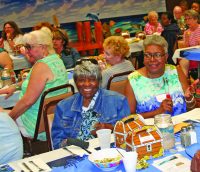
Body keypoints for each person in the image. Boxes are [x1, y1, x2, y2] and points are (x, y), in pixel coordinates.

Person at [0, 27, 68, 141]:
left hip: (35, 125)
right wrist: (15, 86)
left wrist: (9, 120)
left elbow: (27, 101)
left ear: (43, 47)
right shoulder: (56, 60)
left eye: (29, 47)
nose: (26, 51)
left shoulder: (41, 66)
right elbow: (35, 80)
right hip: (53, 120)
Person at [52, 58, 130, 149]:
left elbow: (129, 135)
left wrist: (112, 129)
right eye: (81, 80)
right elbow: (57, 143)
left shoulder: (118, 101)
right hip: (75, 155)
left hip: (108, 151)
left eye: (92, 80)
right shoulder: (63, 106)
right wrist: (68, 143)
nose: (87, 84)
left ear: (99, 82)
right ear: (76, 83)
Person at [125, 35, 189, 118]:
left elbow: (190, 106)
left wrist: (191, 99)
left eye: (157, 55)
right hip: (151, 129)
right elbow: (129, 117)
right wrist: (158, 112)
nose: (152, 59)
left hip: (183, 126)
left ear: (166, 56)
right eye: (147, 55)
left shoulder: (176, 72)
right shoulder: (133, 80)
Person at [179, 9, 200, 79]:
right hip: (191, 54)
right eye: (186, 19)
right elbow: (186, 48)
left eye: (189, 19)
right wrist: (187, 39)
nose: (187, 21)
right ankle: (185, 83)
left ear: (196, 19)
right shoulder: (186, 32)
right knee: (183, 61)